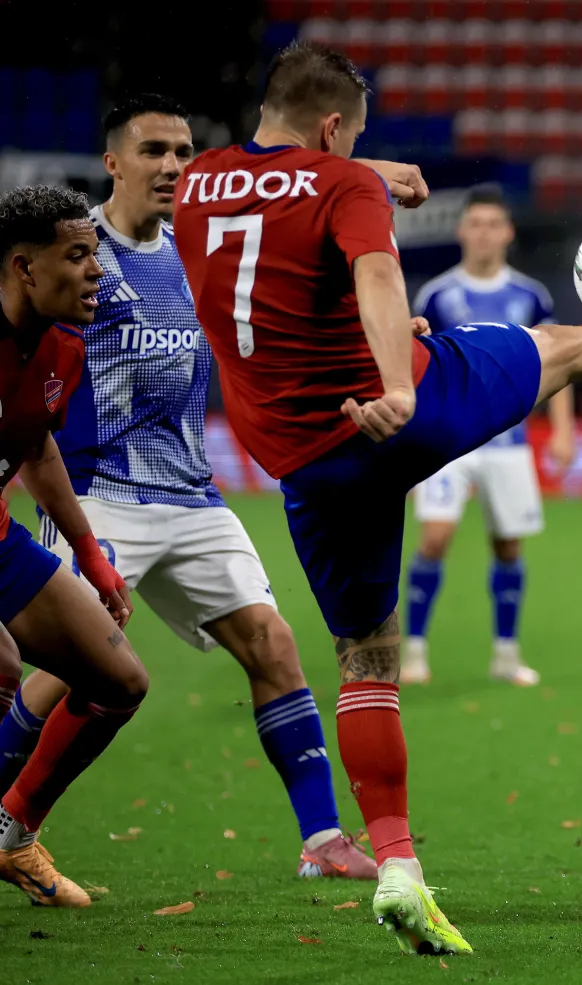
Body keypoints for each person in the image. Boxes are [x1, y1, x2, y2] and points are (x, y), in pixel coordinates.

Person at [172, 42, 582, 956]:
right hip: (397, 409)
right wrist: (397, 378)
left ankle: (398, 866)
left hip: (303, 458)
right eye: (353, 138)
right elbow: (376, 272)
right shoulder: (347, 186)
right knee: (566, 347)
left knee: (366, 661)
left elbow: (281, 193)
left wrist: (368, 171)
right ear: (333, 128)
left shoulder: (200, 184)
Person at [0, 95, 382, 879]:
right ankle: (15, 822)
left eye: (183, 151)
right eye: (154, 151)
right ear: (113, 162)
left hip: (191, 491)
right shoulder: (71, 254)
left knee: (274, 643)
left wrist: (377, 337)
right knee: (64, 669)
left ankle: (321, 838)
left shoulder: (199, 251)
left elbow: (280, 297)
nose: (173, 165)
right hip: (99, 489)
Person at [0, 184, 149, 907]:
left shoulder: (62, 346)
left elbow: (35, 446)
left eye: (96, 253)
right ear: (24, 267)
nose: (97, 271)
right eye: (78, 255)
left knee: (119, 681)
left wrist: (88, 554)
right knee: (3, 667)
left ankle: (11, 832)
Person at [402, 184, 574, 687]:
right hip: (447, 441)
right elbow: (415, 367)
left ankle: (506, 654)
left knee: (509, 547)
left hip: (508, 443)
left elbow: (559, 361)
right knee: (435, 539)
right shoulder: (436, 295)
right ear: (461, 231)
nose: (483, 233)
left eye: (492, 224)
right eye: (475, 224)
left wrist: (563, 430)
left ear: (508, 233)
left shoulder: (530, 295)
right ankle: (413, 652)